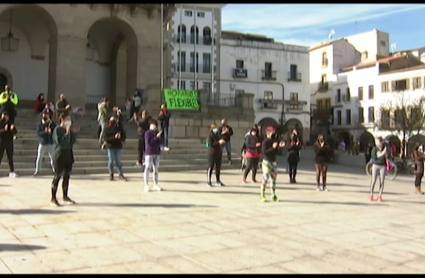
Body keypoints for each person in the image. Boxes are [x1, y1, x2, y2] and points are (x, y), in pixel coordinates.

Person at [50, 112, 78, 207]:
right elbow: (60, 142)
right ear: (62, 119)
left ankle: (65, 196)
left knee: (67, 176)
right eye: (67, 119)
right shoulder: (57, 130)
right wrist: (67, 132)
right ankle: (53, 198)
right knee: (57, 176)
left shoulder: (68, 129)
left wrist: (71, 133)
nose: (69, 121)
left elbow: (72, 142)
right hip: (60, 154)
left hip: (68, 154)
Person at [260, 126, 286, 202]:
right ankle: (262, 195)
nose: (274, 133)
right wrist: (273, 147)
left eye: (274, 132)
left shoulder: (274, 140)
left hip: (273, 162)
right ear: (268, 133)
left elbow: (276, 152)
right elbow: (264, 152)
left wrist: (279, 147)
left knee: (273, 179)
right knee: (265, 179)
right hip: (266, 162)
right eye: (272, 132)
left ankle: (273, 195)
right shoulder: (265, 141)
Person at [104, 116, 127, 181]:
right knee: (111, 161)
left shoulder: (119, 128)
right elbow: (106, 138)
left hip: (118, 146)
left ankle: (120, 174)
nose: (113, 122)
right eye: (112, 121)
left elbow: (124, 136)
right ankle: (111, 174)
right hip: (110, 146)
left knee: (118, 161)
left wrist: (120, 137)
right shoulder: (107, 128)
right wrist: (114, 137)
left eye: (114, 120)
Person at [34, 111, 56, 176]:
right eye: (44, 115)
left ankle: (55, 170)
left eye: (47, 115)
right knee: (39, 157)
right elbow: (39, 133)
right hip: (43, 143)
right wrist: (45, 132)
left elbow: (55, 131)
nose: (45, 116)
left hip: (51, 143)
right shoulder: (40, 124)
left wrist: (51, 131)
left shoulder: (52, 124)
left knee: (53, 157)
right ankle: (37, 170)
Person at [143, 119, 163, 192]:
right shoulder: (147, 133)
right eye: (153, 124)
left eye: (155, 124)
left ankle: (155, 184)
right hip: (149, 152)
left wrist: (159, 137)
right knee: (147, 167)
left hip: (156, 152)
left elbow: (160, 142)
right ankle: (146, 185)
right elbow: (150, 142)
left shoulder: (157, 132)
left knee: (156, 169)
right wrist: (156, 137)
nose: (154, 126)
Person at [368, 136, 387, 202]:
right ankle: (371, 194)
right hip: (375, 165)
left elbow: (388, 156)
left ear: (381, 141)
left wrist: (386, 152)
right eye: (375, 141)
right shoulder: (374, 148)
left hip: (383, 166)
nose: (376, 143)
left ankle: (379, 195)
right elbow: (375, 157)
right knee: (373, 181)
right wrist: (383, 153)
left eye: (378, 141)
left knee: (382, 181)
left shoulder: (385, 148)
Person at [0, 111, 18, 177]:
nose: (5, 117)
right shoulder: (0, 123)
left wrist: (12, 129)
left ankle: (12, 171)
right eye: (4, 115)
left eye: (7, 116)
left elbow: (15, 132)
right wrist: (4, 130)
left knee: (10, 157)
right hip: (1, 142)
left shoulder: (10, 123)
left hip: (9, 142)